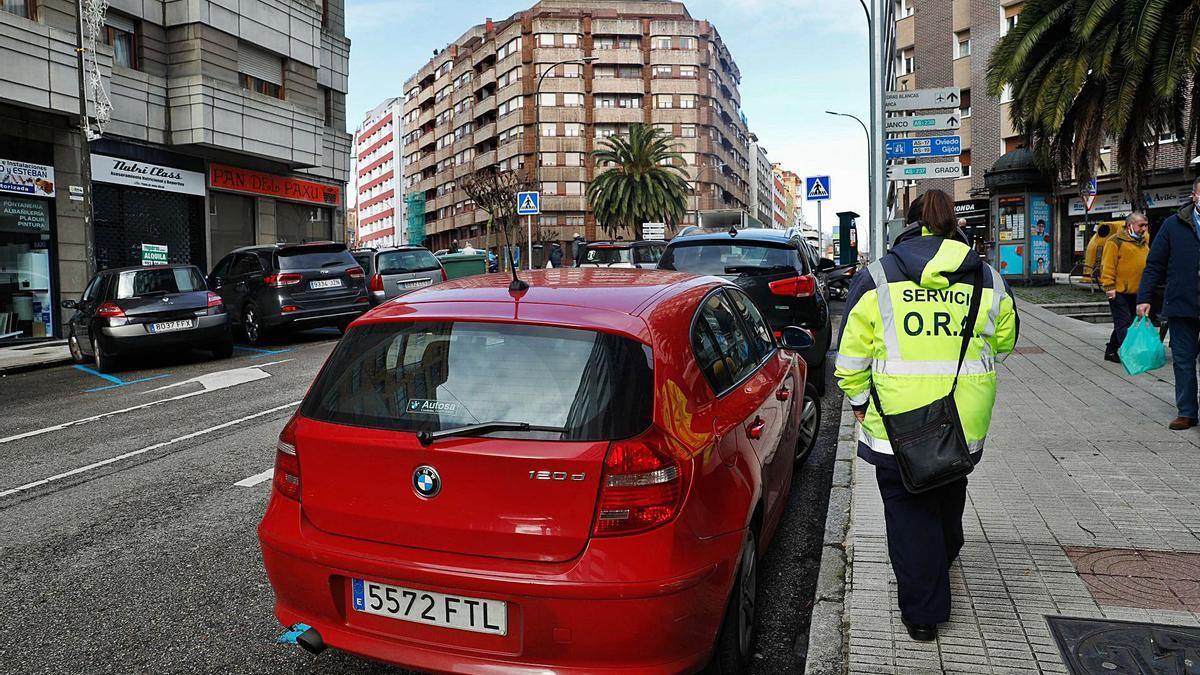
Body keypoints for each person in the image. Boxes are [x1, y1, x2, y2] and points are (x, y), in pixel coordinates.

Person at [836, 189, 1019, 642]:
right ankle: (942, 554)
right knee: (947, 491)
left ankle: (924, 612)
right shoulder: (987, 277)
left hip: (895, 424)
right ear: (952, 222)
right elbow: (1005, 342)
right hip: (961, 419)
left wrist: (859, 402)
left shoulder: (877, 276)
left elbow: (850, 358)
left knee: (907, 513)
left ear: (908, 223)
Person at [1137, 177, 1200, 430]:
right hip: (1182, 304)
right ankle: (1187, 412)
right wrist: (1144, 298)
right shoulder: (1173, 225)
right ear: (1195, 196)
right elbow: (1154, 265)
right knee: (1184, 361)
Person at [1099, 212, 1149, 364]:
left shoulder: (1144, 241)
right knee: (1124, 323)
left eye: (1146, 226)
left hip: (1137, 291)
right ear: (1129, 226)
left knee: (1128, 322)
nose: (1144, 229)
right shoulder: (1114, 241)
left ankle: (1111, 350)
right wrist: (1109, 286)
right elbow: (1107, 266)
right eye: (1141, 225)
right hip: (1118, 291)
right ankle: (1131, 355)